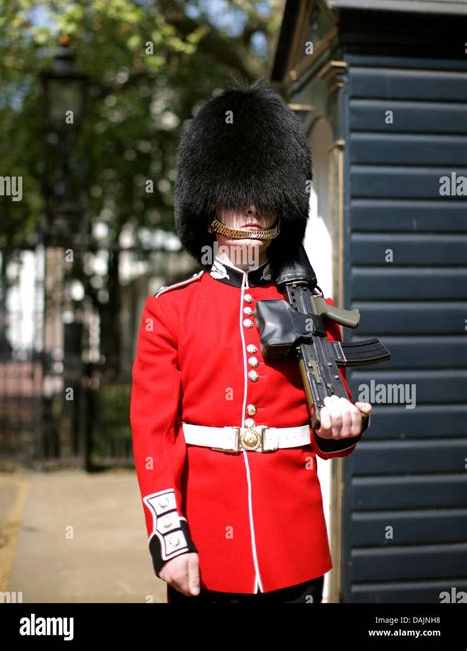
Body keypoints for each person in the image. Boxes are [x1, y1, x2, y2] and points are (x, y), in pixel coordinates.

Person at [129, 79, 372, 605]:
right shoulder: (170, 310)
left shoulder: (310, 304)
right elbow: (154, 437)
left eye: (264, 198)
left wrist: (344, 424)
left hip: (297, 546)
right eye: (239, 200)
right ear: (210, 208)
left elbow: (330, 431)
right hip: (208, 551)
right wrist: (171, 542)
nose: (254, 213)